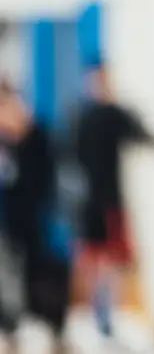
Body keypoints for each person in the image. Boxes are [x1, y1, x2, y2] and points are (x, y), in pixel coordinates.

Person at [74, 64, 154, 343]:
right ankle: (97, 318)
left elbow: (140, 132)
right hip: (93, 203)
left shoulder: (112, 114)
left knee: (114, 260)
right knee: (93, 260)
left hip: (109, 200)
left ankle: (111, 317)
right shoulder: (84, 118)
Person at [0, 81, 70, 353]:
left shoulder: (38, 137)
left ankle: (55, 332)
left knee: (42, 277)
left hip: (39, 224)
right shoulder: (7, 141)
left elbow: (47, 183)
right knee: (10, 280)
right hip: (11, 223)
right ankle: (12, 331)